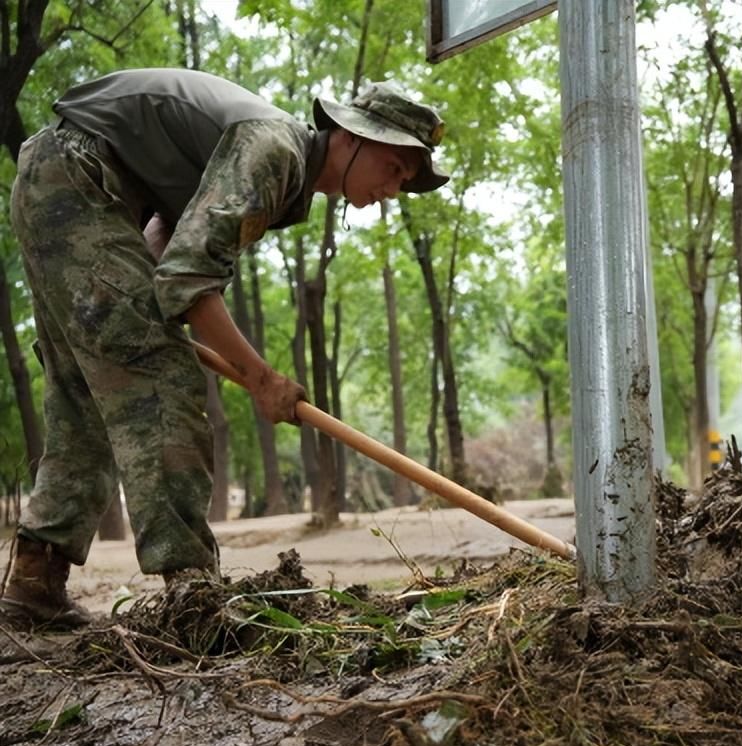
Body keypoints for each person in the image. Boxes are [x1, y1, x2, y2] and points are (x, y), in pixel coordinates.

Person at [1, 68, 448, 630]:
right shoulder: (273, 147)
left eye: (404, 181)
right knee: (161, 380)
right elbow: (187, 280)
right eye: (394, 167)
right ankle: (193, 596)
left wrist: (132, 317)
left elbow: (168, 252)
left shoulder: (281, 171)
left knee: (92, 388)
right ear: (352, 136)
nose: (392, 190)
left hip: (63, 181)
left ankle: (34, 581)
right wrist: (261, 377)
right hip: (80, 177)